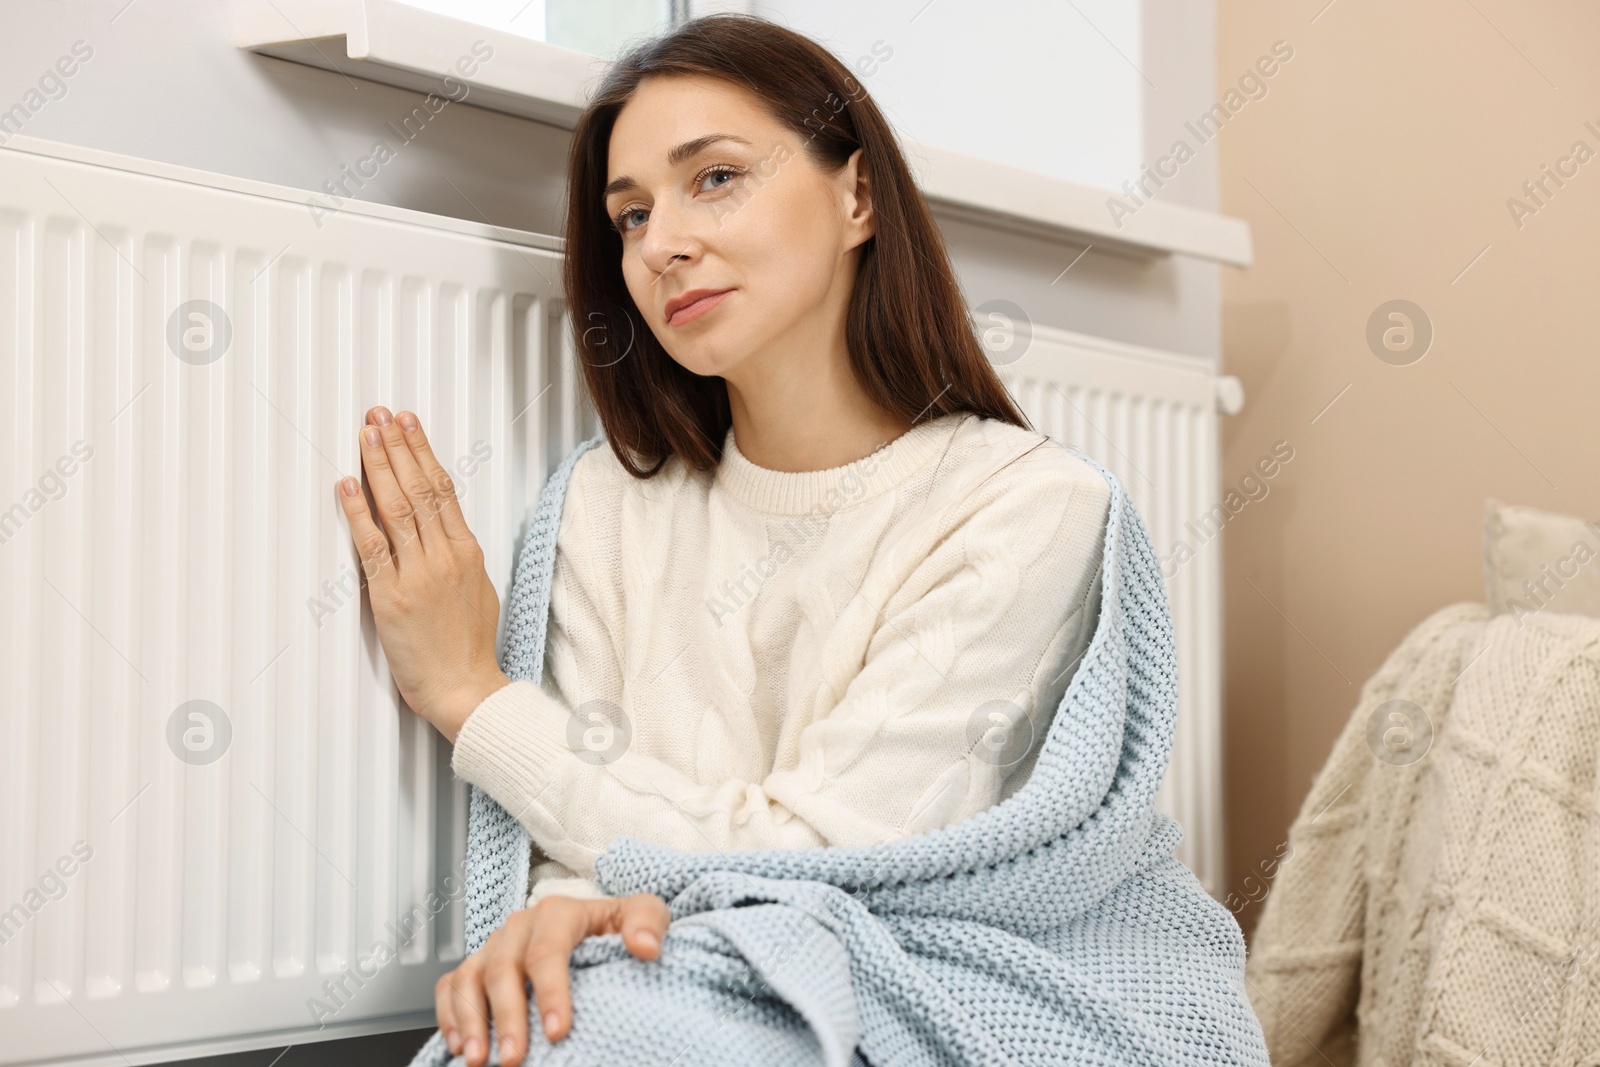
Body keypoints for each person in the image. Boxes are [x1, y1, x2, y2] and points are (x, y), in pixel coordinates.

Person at [336, 14, 1110, 1067]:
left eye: (715, 178)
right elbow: (578, 840)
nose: (660, 244)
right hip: (662, 963)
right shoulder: (605, 501)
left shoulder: (1021, 504)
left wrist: (474, 697)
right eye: (630, 215)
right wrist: (568, 914)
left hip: (910, 967)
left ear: (857, 196)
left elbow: (829, 856)